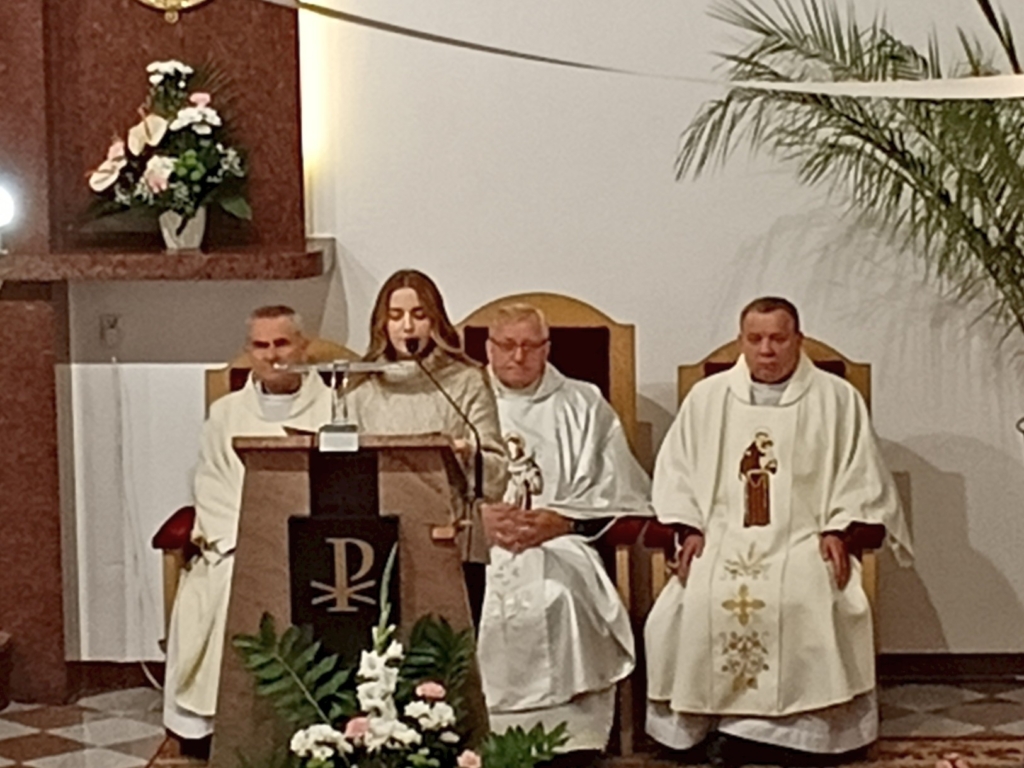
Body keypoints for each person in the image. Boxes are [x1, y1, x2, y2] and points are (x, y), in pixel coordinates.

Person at [644, 297, 912, 768]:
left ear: (798, 340)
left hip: (805, 538)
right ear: (741, 341)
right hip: (722, 536)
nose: (766, 350)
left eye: (777, 338)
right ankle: (712, 728)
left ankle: (804, 735)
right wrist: (687, 527)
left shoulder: (835, 398)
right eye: (755, 339)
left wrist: (841, 529)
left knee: (805, 595)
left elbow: (859, 475)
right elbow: (677, 472)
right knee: (700, 597)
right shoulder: (707, 398)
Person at [478, 303, 653, 761]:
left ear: (547, 348)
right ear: (488, 348)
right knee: (478, 597)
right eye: (507, 345)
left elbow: (620, 492)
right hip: (479, 542)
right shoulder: (463, 399)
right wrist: (480, 520)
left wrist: (563, 520)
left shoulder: (582, 403)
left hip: (560, 542)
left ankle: (570, 738)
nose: (518, 356)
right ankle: (477, 729)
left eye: (530, 345)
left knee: (559, 598)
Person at [163, 306, 333, 751]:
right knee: (223, 588)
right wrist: (255, 541)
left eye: (282, 343)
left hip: (315, 542)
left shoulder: (337, 406)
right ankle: (218, 728)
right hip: (238, 542)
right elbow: (213, 486)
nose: (272, 355)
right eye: (261, 345)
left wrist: (293, 538)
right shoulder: (225, 413)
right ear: (247, 351)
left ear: (303, 346)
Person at [344, 269, 507, 602]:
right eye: (396, 316)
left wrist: (465, 452)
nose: (407, 327)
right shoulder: (360, 388)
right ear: (382, 324)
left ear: (435, 321)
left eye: (419, 315)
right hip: (377, 543)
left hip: (453, 538)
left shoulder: (465, 381)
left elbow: (495, 468)